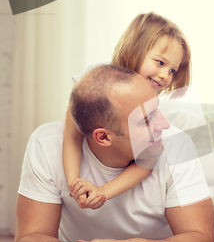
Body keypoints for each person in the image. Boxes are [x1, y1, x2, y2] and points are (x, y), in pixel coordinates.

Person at [15, 64, 214, 242]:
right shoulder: (46, 144)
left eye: (157, 109)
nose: (164, 125)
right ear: (103, 137)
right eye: (147, 120)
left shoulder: (176, 145)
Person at [63, 12, 191, 209]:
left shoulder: (151, 99)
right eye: (160, 63)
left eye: (172, 70)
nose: (166, 75)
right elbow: (72, 135)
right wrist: (75, 183)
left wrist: (103, 191)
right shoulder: (92, 82)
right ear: (135, 50)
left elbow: (146, 161)